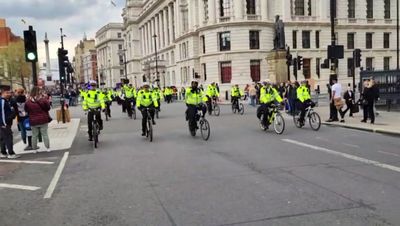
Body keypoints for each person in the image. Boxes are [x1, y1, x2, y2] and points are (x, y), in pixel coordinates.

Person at [25, 86, 52, 153]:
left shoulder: (28, 101)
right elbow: (48, 108)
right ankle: (47, 148)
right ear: (39, 92)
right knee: (45, 134)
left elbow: (26, 110)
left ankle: (34, 149)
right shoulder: (43, 99)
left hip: (33, 120)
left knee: (34, 135)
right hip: (43, 119)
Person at [0, 87, 19, 159]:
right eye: (7, 93)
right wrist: (4, 124)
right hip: (4, 123)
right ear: (2, 93)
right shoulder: (2, 101)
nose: (9, 94)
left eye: (9, 92)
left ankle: (3, 152)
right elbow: (2, 114)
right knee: (8, 137)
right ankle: (11, 153)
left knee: (3, 138)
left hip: (4, 123)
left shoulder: (5, 101)